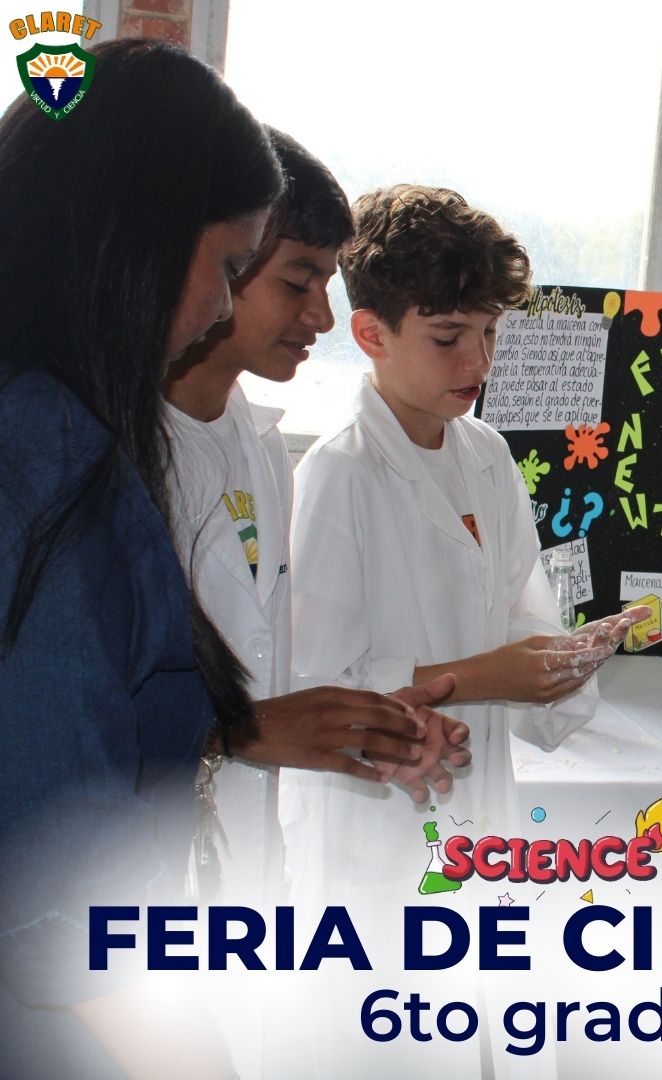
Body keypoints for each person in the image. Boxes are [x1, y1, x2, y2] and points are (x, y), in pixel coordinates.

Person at [0, 42, 418, 1079]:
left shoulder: (62, 432)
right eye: (232, 268)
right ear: (134, 240)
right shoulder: (48, 463)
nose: (222, 308)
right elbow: (58, 903)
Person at [280, 184, 645, 901]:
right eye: (448, 338)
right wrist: (487, 677)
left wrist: (563, 661)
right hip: (372, 820)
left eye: (490, 334)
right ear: (371, 335)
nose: (477, 363)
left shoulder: (486, 455)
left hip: (477, 806)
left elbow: (519, 620)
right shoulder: (339, 472)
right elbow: (320, 691)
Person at [163, 131, 470, 914]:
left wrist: (370, 727)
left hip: (244, 865)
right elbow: (79, 709)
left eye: (327, 283)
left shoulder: (259, 445)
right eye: (297, 281)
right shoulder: (117, 451)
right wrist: (245, 731)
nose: (321, 316)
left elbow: (265, 668)